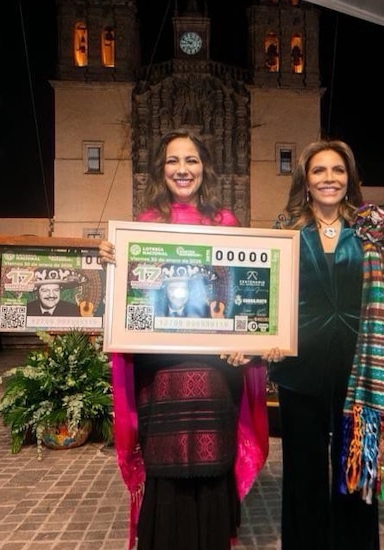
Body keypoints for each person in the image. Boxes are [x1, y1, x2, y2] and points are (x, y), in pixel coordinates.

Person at [98, 130, 268, 550]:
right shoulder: (144, 225)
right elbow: (133, 295)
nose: (182, 169)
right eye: (174, 161)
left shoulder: (225, 223)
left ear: (204, 168)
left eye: (191, 160)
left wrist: (249, 337)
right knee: (165, 473)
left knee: (211, 471)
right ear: (162, 169)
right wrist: (112, 261)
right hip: (162, 373)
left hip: (213, 374)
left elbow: (238, 294)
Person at [263, 140, 384, 550]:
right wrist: (266, 337)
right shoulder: (285, 229)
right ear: (305, 180)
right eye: (319, 171)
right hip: (299, 370)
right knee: (302, 474)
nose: (329, 179)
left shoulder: (374, 229)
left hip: (361, 370)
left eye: (337, 171)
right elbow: (268, 294)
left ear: (349, 178)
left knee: (356, 474)